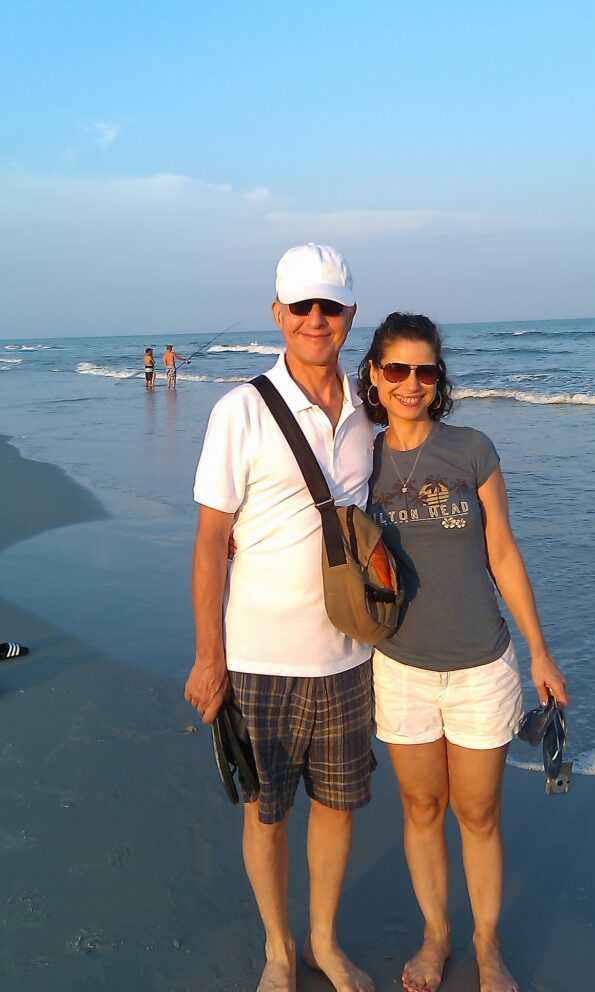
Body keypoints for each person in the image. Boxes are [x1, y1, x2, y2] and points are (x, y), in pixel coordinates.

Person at [358, 313, 568, 992]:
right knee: (421, 808)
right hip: (400, 666)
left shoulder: (472, 448)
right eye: (397, 369)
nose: (411, 383)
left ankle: (486, 946)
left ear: (438, 378)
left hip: (482, 663)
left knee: (478, 813)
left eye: (425, 370)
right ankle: (435, 935)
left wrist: (540, 651)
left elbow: (501, 551)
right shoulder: (357, 459)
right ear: (374, 375)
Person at [185, 244, 376, 992]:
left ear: (351, 314)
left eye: (329, 305)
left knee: (337, 809)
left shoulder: (370, 409)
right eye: (301, 306)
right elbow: (210, 540)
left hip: (351, 657)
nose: (315, 319)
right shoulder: (240, 410)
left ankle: (324, 941)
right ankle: (278, 949)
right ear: (278, 314)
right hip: (260, 658)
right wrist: (209, 657)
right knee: (266, 811)